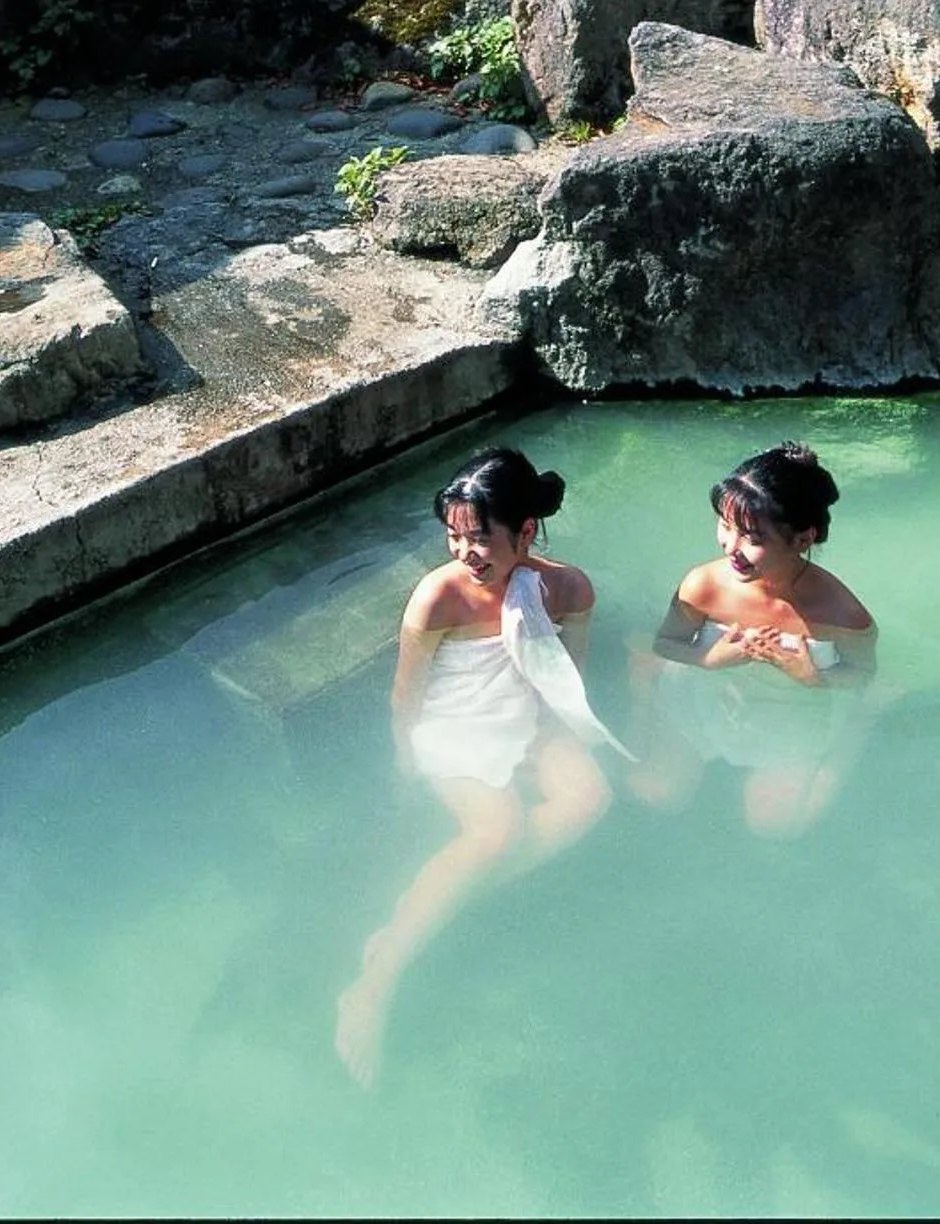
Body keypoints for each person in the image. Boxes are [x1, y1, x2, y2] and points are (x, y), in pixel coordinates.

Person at [334, 444, 625, 1085]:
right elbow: (407, 695)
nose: (466, 553)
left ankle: (437, 906)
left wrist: (550, 745)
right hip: (456, 726)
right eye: (454, 537)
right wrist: (403, 762)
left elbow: (566, 680)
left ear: (525, 532)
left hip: (529, 720)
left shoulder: (568, 589)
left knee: (590, 799)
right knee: (496, 831)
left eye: (481, 538)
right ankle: (376, 980)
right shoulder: (437, 599)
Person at [629, 440, 877, 838]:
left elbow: (863, 674)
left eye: (753, 538)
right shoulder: (704, 585)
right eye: (725, 526)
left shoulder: (840, 613)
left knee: (777, 828)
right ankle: (642, 681)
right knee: (655, 794)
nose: (732, 548)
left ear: (802, 539)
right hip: (705, 700)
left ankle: (860, 729)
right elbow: (666, 643)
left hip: (789, 717)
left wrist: (811, 677)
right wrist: (711, 658)